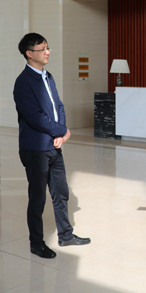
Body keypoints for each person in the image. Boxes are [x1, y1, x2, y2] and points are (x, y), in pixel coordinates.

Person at [13, 33, 90, 260]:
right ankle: (36, 243)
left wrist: (61, 133)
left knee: (61, 192)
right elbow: (35, 117)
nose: (47, 52)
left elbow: (59, 106)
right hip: (35, 148)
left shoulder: (48, 76)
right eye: (42, 49)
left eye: (48, 47)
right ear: (29, 53)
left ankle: (66, 235)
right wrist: (61, 131)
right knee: (38, 198)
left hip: (53, 145)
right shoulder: (23, 82)